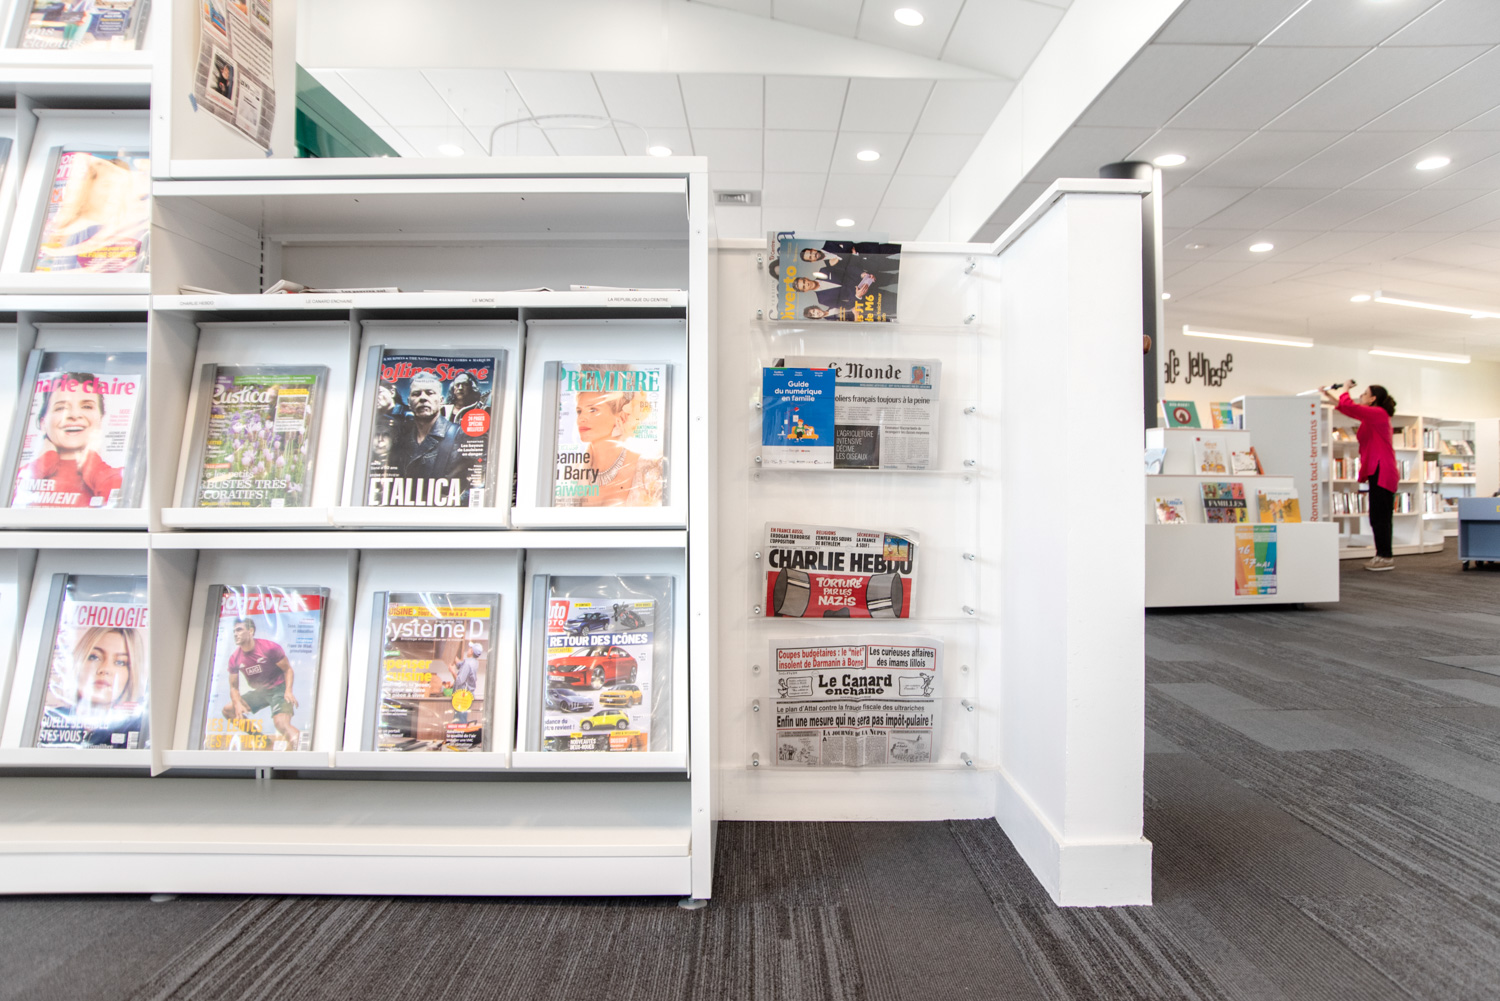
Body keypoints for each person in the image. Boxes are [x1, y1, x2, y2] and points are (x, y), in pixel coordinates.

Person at [1321, 380, 1398, 571]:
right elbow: (1347, 409)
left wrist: (1346, 388)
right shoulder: (1372, 416)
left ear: (1373, 399)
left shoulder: (1378, 413)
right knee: (1377, 515)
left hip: (1382, 470)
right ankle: (1382, 554)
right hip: (1377, 469)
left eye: (1365, 393)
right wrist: (1328, 396)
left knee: (1380, 516)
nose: (1361, 396)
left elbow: (1350, 406)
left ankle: (1385, 557)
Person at [17, 372, 122, 508]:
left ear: (100, 419)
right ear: (43, 423)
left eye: (87, 406)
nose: (74, 415)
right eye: (61, 408)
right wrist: (45, 461)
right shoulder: (20, 473)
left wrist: (92, 463)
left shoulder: (117, 475)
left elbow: (118, 508)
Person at [41, 624, 146, 746]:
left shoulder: (139, 728)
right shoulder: (50, 720)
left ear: (132, 674)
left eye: (120, 662)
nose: (104, 669)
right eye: (94, 657)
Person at [572, 379, 664, 507]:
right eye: (579, 411)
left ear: (621, 417)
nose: (581, 418)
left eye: (593, 410)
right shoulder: (572, 472)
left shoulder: (649, 471)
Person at [221, 616, 301, 749]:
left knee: (281, 724)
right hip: (261, 692)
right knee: (228, 710)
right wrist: (237, 704)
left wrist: (288, 691)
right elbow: (234, 687)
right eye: (234, 631)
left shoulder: (269, 648)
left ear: (251, 631)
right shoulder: (235, 658)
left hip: (279, 689)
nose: (235, 634)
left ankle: (303, 752)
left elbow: (287, 670)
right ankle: (260, 738)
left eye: (239, 630)